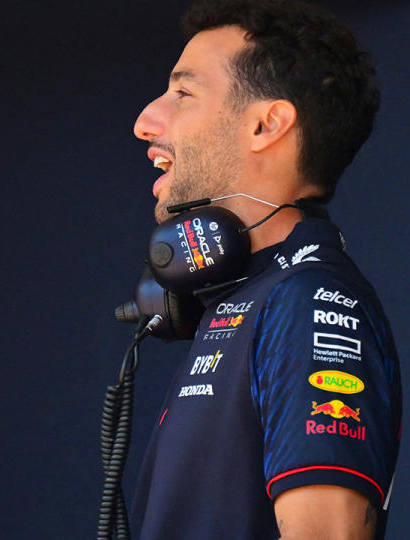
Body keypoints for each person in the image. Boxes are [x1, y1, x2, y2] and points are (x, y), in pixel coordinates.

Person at [129, 1, 401, 539]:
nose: (145, 123)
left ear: (265, 125)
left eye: (182, 93)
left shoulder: (309, 300)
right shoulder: (249, 297)